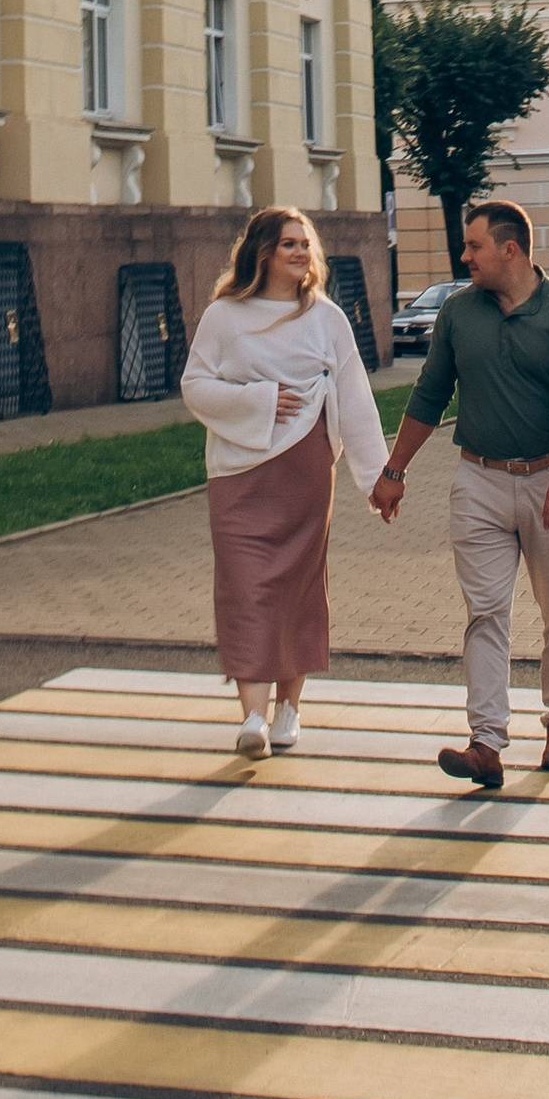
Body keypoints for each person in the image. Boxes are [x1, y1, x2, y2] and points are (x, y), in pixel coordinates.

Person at [369, 199, 549, 789]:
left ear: (510, 249)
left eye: (474, 246)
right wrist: (393, 470)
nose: (464, 255)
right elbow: (429, 396)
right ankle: (486, 743)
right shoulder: (458, 313)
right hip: (477, 479)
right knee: (486, 612)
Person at [180, 203, 389, 756]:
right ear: (264, 252)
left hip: (304, 468)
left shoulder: (326, 319)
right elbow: (195, 387)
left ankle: (289, 707)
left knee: (297, 586)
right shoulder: (224, 317)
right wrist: (260, 400)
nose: (302, 252)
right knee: (245, 587)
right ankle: (252, 717)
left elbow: (356, 399)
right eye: (290, 243)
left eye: (306, 243)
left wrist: (377, 479)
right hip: (237, 471)